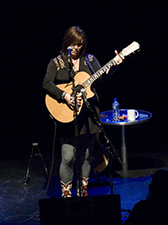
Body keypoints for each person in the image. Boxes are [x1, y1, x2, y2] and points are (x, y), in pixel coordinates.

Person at [43, 26, 123, 198]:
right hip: (67, 116)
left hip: (88, 115)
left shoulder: (90, 60)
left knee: (86, 156)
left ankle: (82, 194)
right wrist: (65, 96)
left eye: (79, 45)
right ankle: (66, 196)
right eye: (73, 44)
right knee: (68, 157)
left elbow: (103, 75)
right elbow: (46, 83)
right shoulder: (57, 62)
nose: (76, 48)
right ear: (67, 43)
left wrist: (114, 66)